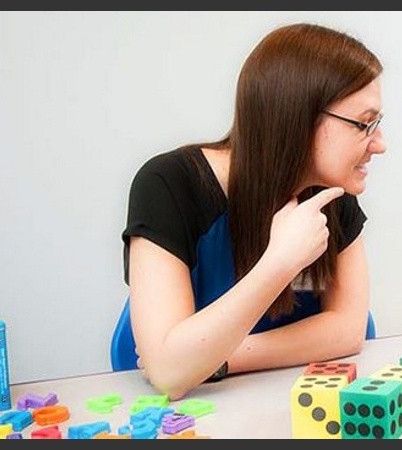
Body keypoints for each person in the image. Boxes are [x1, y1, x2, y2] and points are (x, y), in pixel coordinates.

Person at [119, 23, 386, 400]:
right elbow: (167, 371)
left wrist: (219, 358)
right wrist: (279, 263)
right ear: (297, 117)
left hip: (276, 400)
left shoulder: (332, 195)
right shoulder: (168, 185)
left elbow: (346, 329)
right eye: (364, 124)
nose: (380, 144)